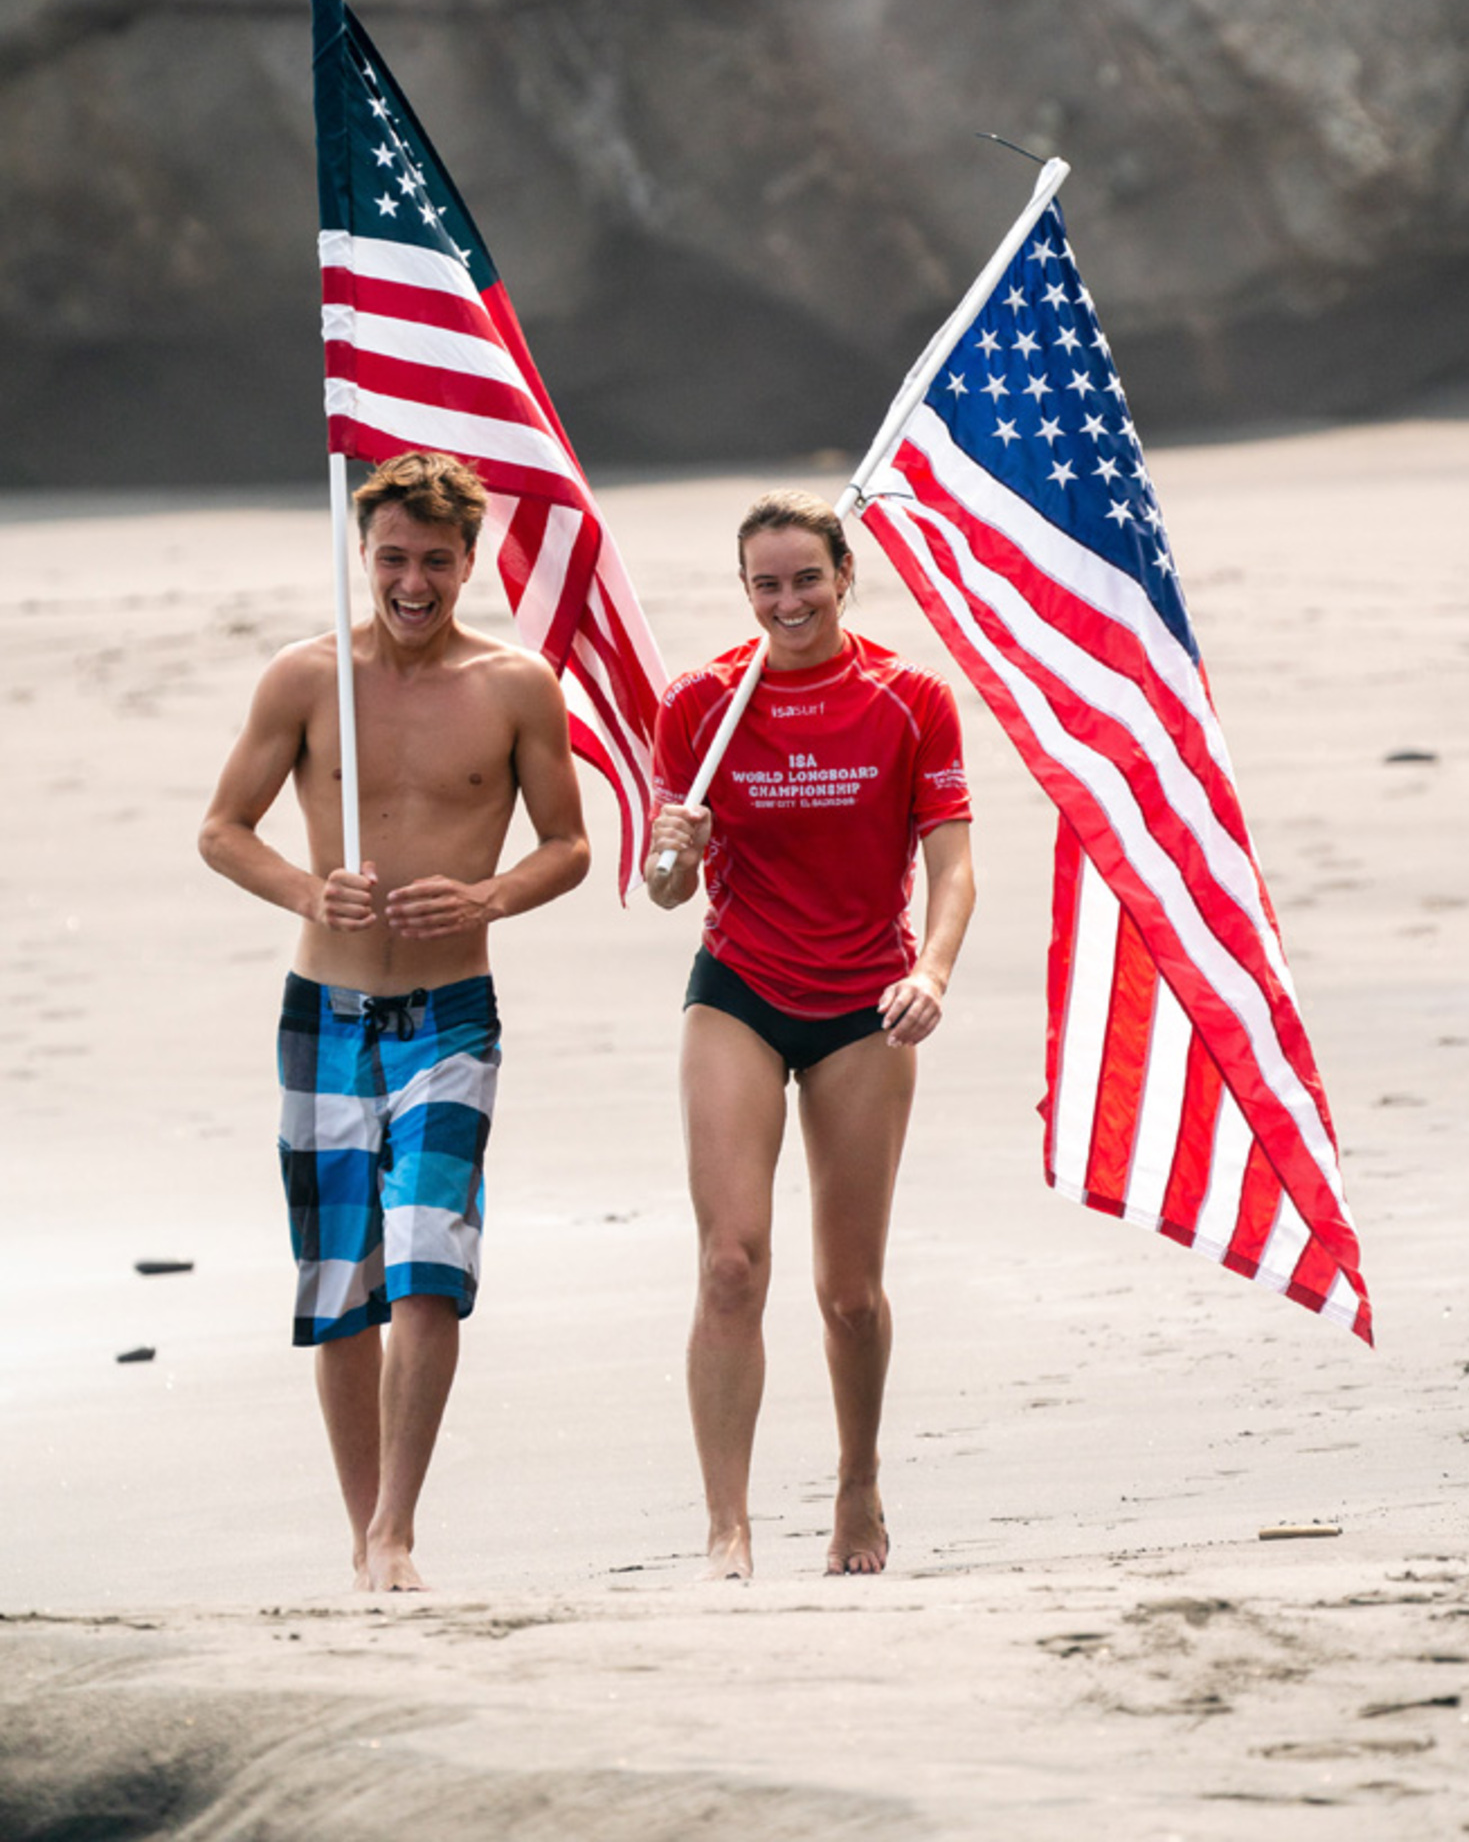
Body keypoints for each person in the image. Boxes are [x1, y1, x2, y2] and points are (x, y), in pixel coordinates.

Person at [199, 450, 589, 1592]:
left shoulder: (516, 684)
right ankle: (360, 1525)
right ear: (361, 556)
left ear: (468, 562)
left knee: (428, 1258)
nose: (411, 581)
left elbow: (568, 842)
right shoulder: (305, 677)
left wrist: (489, 894)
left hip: (450, 1009)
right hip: (325, 1007)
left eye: (434, 560)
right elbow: (224, 827)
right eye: (391, 558)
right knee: (342, 1273)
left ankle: (397, 1531)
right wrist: (305, 890)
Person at [646, 489, 975, 1580]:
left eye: (806, 579)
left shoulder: (909, 695)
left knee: (848, 1292)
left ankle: (858, 1480)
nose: (788, 601)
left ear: (844, 577)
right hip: (738, 986)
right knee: (731, 1261)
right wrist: (672, 853)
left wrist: (931, 968)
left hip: (866, 1004)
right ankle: (726, 1523)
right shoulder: (702, 703)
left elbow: (952, 861)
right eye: (766, 584)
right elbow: (661, 887)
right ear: (745, 591)